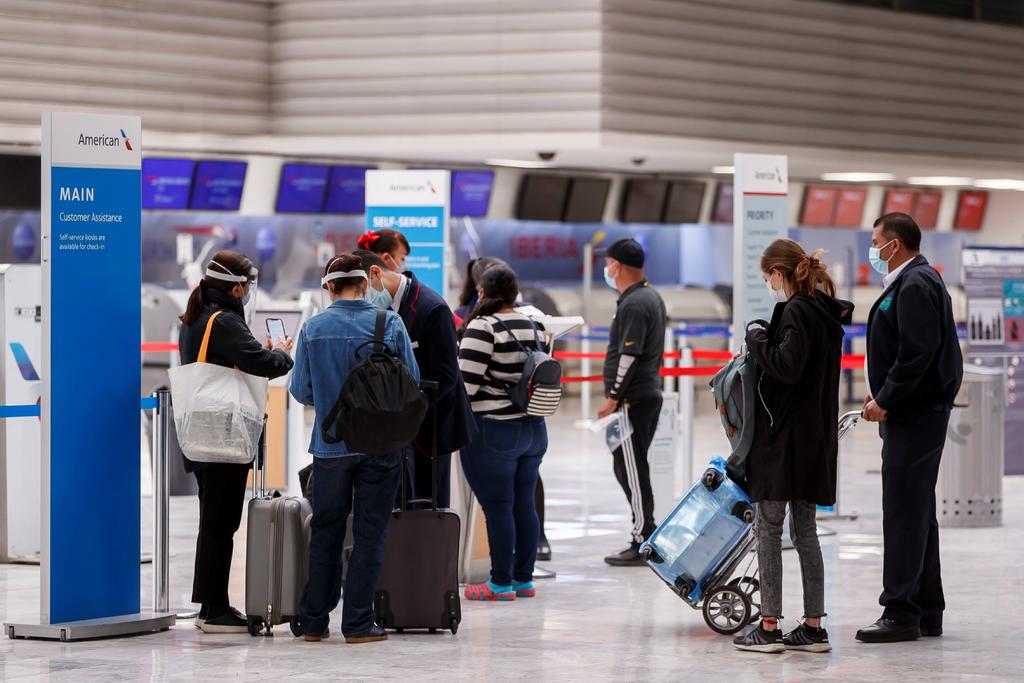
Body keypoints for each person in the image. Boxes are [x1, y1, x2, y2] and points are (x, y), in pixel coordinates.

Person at [289, 253, 420, 644]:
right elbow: (411, 380)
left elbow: (301, 390)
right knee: (369, 534)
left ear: (329, 287)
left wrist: (332, 398)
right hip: (381, 446)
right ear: (365, 284)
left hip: (330, 448)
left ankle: (314, 622)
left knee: (326, 532)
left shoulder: (313, 328)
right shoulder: (389, 323)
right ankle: (359, 623)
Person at [731, 239, 853, 654]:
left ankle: (768, 626)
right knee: (805, 531)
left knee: (768, 528)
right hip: (815, 439)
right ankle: (813, 627)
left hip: (784, 440)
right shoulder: (823, 311)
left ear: (779, 273)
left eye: (767, 277)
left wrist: (756, 337)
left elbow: (787, 366)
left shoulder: (798, 311)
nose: (768, 285)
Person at [856, 213, 963, 644]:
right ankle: (926, 608)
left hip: (915, 414)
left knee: (902, 511)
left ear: (894, 244)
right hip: (913, 412)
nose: (873, 249)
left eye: (875, 242)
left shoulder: (916, 283)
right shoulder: (911, 280)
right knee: (917, 512)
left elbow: (917, 353)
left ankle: (900, 612)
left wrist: (885, 399)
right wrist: (881, 395)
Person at [177, 251, 294, 634]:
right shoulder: (224, 320)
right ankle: (214, 610)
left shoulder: (196, 315)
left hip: (202, 434)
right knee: (221, 523)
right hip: (224, 438)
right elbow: (264, 365)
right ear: (237, 288)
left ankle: (211, 605)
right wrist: (282, 354)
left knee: (213, 521)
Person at [354, 248, 477, 508]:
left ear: (375, 273)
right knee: (399, 504)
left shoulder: (432, 308)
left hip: (430, 425)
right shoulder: (381, 310)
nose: (363, 298)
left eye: (362, 290)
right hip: (395, 429)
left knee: (428, 506)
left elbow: (446, 375)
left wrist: (407, 409)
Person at [458, 264, 549, 601]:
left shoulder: (483, 327)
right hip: (534, 428)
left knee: (498, 506)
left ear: (482, 292)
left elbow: (465, 387)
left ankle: (500, 582)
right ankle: (524, 579)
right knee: (525, 504)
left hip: (494, 431)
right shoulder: (536, 324)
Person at [596, 238, 666, 567]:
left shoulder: (636, 303)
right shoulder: (646, 296)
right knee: (627, 466)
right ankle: (644, 533)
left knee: (632, 470)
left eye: (607, 263)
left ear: (617, 266)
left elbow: (630, 355)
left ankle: (643, 539)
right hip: (639, 397)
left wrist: (614, 397)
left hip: (632, 400)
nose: (605, 268)